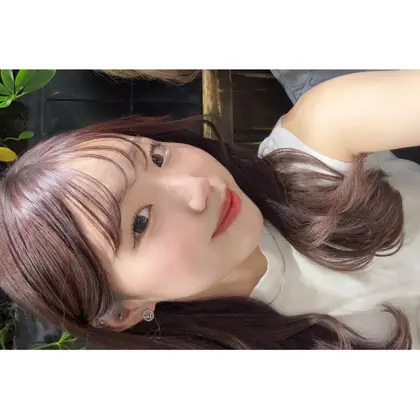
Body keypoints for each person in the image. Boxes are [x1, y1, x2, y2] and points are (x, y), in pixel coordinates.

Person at [1, 70, 420, 350]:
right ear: (122, 311)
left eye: (157, 157)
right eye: (140, 222)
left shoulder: (315, 140)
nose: (197, 187)